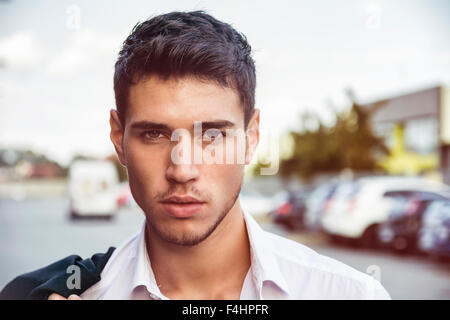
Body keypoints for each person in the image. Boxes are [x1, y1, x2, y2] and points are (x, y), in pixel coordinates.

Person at [1, 11, 390, 300]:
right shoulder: (73, 292)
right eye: (154, 134)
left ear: (251, 137)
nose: (183, 169)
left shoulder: (349, 294)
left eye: (213, 135)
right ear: (118, 138)